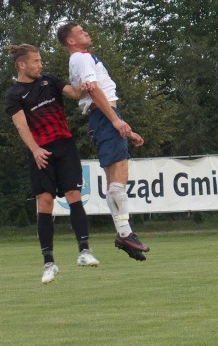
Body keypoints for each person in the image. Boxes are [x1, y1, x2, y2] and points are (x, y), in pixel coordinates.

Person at [4, 43, 100, 284]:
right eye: (36, 61)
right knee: (44, 202)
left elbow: (74, 93)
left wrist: (85, 87)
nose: (41, 65)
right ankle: (49, 263)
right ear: (21, 65)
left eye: (41, 61)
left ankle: (84, 251)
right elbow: (21, 126)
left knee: (73, 194)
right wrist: (35, 149)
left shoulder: (49, 80)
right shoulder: (14, 94)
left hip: (65, 146)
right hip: (40, 152)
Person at [57, 22, 150, 261]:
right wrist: (116, 121)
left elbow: (93, 93)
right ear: (70, 41)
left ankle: (124, 233)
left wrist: (124, 127)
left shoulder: (81, 58)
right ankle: (125, 233)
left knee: (114, 180)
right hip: (105, 117)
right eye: (79, 32)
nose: (86, 32)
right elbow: (96, 91)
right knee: (118, 179)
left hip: (103, 118)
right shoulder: (81, 57)